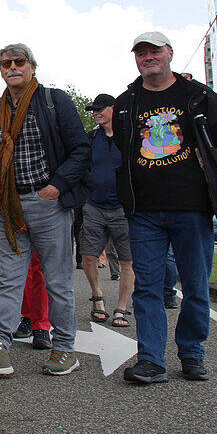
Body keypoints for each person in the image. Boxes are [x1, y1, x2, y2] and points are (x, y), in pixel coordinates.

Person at [114, 32, 217, 384]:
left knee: (195, 286)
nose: (148, 57)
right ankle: (151, 359)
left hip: (192, 207)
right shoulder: (126, 102)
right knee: (147, 287)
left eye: (154, 51)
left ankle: (192, 353)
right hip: (144, 211)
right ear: (135, 59)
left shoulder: (196, 95)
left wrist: (209, 160)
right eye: (141, 53)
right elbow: (125, 147)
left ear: (169, 53)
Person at [0, 43, 89, 377]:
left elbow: (80, 149)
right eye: (5, 63)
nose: (12, 67)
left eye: (19, 61)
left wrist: (57, 186)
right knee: (9, 279)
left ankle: (64, 348)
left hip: (47, 202)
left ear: (32, 66)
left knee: (57, 281)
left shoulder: (54, 101)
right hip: (8, 204)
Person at [80, 94, 136, 328]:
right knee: (89, 256)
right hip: (94, 206)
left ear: (113, 109)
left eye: (100, 109)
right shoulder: (91, 138)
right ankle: (98, 298)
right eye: (93, 110)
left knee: (127, 261)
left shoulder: (130, 136)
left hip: (123, 208)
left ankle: (122, 307)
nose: (95, 112)